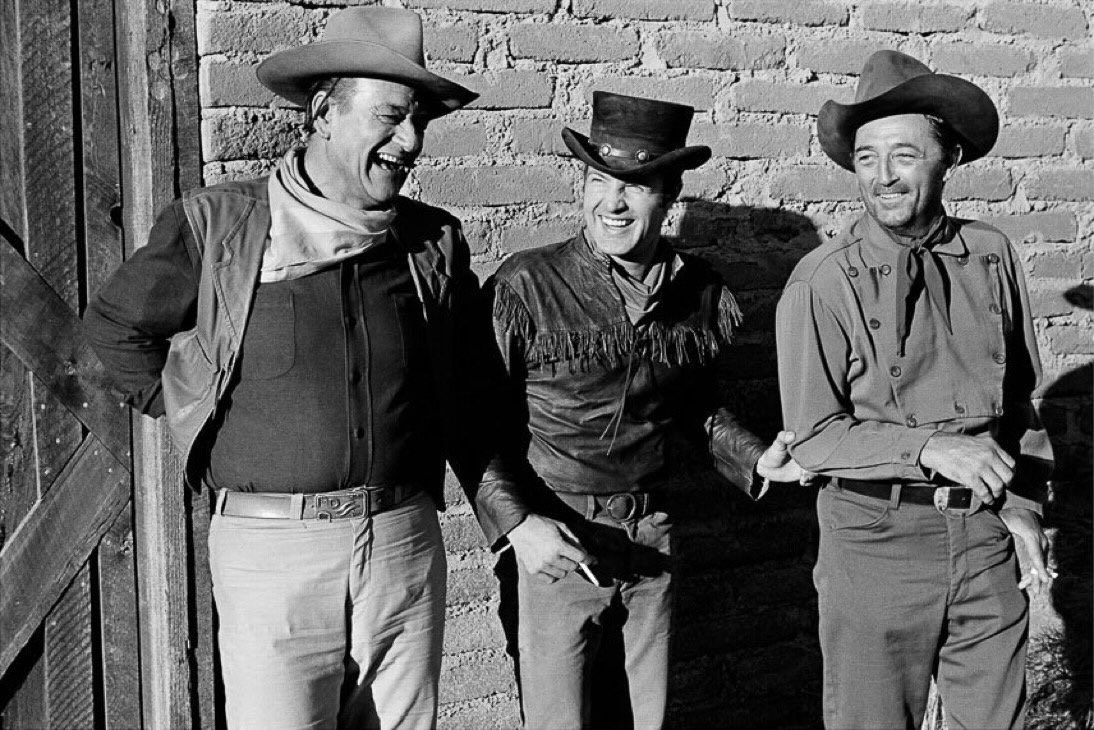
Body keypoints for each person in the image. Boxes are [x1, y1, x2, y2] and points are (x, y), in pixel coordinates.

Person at [84, 8, 497, 728]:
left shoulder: (432, 242)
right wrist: (194, 404)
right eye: (393, 117)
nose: (411, 141)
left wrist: (514, 517)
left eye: (420, 121)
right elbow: (114, 332)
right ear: (324, 113)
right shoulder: (221, 224)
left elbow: (466, 393)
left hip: (403, 541)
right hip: (271, 551)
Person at [472, 91, 810, 729]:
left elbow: (696, 407)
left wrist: (758, 456)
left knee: (645, 720)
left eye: (637, 187)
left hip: (651, 541)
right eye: (599, 182)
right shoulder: (527, 286)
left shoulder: (697, 291)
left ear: (669, 195)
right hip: (559, 538)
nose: (613, 203)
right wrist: (521, 528)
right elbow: (473, 423)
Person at [776, 50, 1055, 729]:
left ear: (948, 156)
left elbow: (1020, 402)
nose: (883, 177)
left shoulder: (991, 255)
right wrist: (931, 448)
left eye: (904, 154)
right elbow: (813, 437)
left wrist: (1023, 506)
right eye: (866, 158)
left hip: (987, 539)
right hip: (877, 544)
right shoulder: (823, 282)